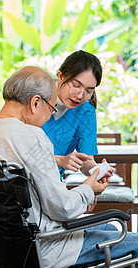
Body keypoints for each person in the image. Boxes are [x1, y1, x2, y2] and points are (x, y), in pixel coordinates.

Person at [0, 66, 138, 268]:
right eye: (51, 107)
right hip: (46, 247)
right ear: (36, 102)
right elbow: (62, 208)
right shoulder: (31, 135)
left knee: (107, 229)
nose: (50, 115)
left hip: (9, 253)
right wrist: (89, 189)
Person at [41, 50, 104, 179]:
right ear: (60, 76)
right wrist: (59, 160)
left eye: (88, 91)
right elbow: (18, 155)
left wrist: (97, 173)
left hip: (53, 183)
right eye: (76, 85)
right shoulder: (37, 99)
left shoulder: (86, 111)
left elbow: (85, 160)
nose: (80, 96)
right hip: (22, 181)